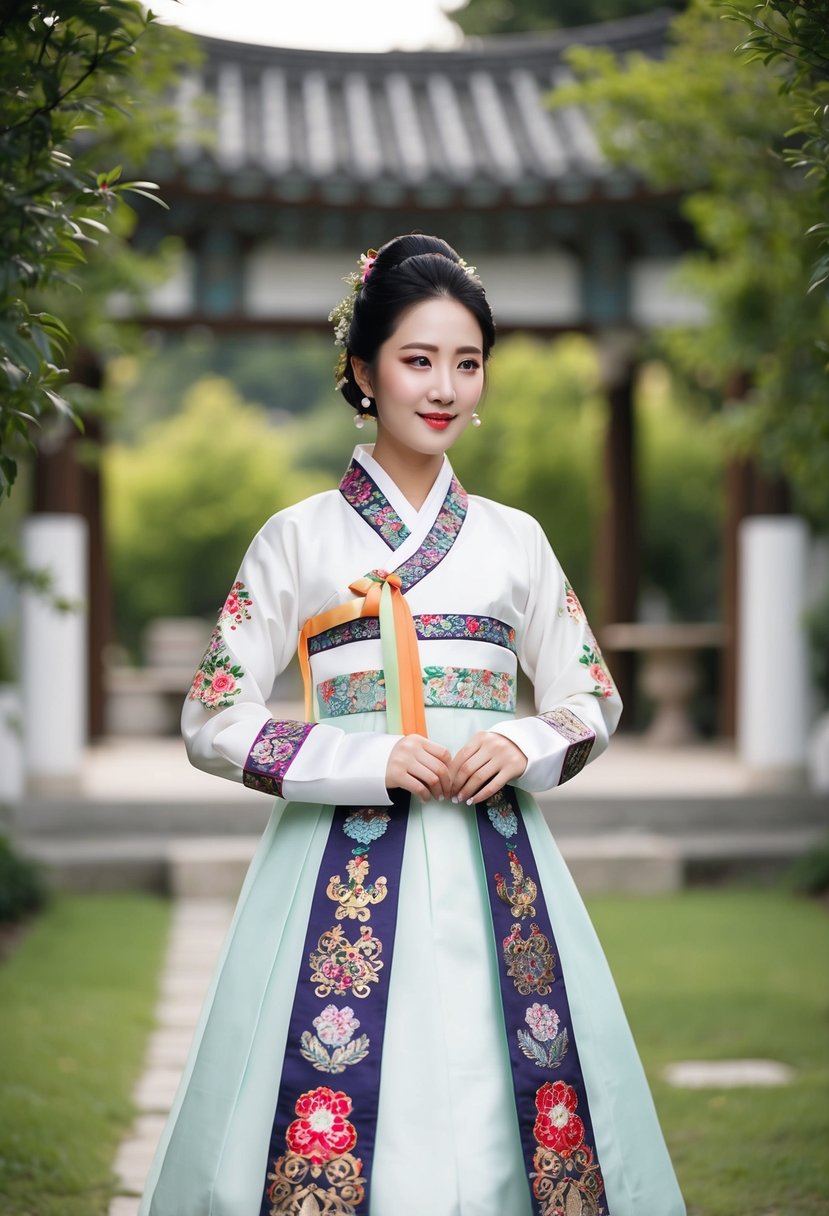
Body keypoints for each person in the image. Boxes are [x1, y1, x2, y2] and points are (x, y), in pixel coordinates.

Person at [139, 234, 685, 1216]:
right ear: (363, 370)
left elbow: (591, 694)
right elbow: (211, 715)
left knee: (506, 1098)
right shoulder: (297, 538)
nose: (444, 387)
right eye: (417, 359)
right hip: (331, 872)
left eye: (466, 362)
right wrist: (366, 756)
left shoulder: (515, 540)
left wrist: (518, 740)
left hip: (498, 861)